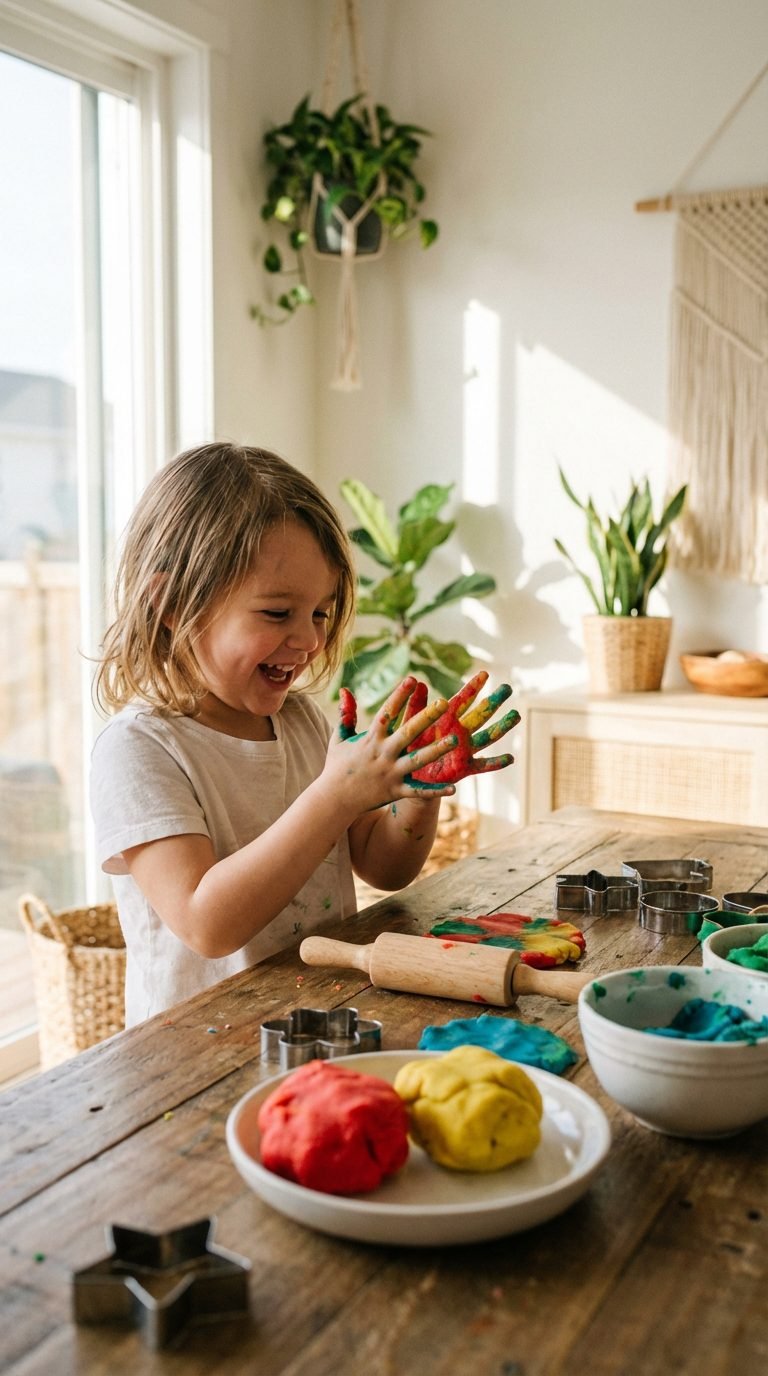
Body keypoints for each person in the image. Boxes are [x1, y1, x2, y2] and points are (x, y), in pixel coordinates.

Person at [90, 442, 462, 1026]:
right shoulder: (139, 749)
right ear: (170, 603)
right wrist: (334, 796)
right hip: (197, 1057)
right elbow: (205, 923)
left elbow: (382, 867)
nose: (311, 640)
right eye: (277, 613)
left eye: (320, 612)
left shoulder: (301, 721)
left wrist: (416, 793)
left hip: (321, 1016)